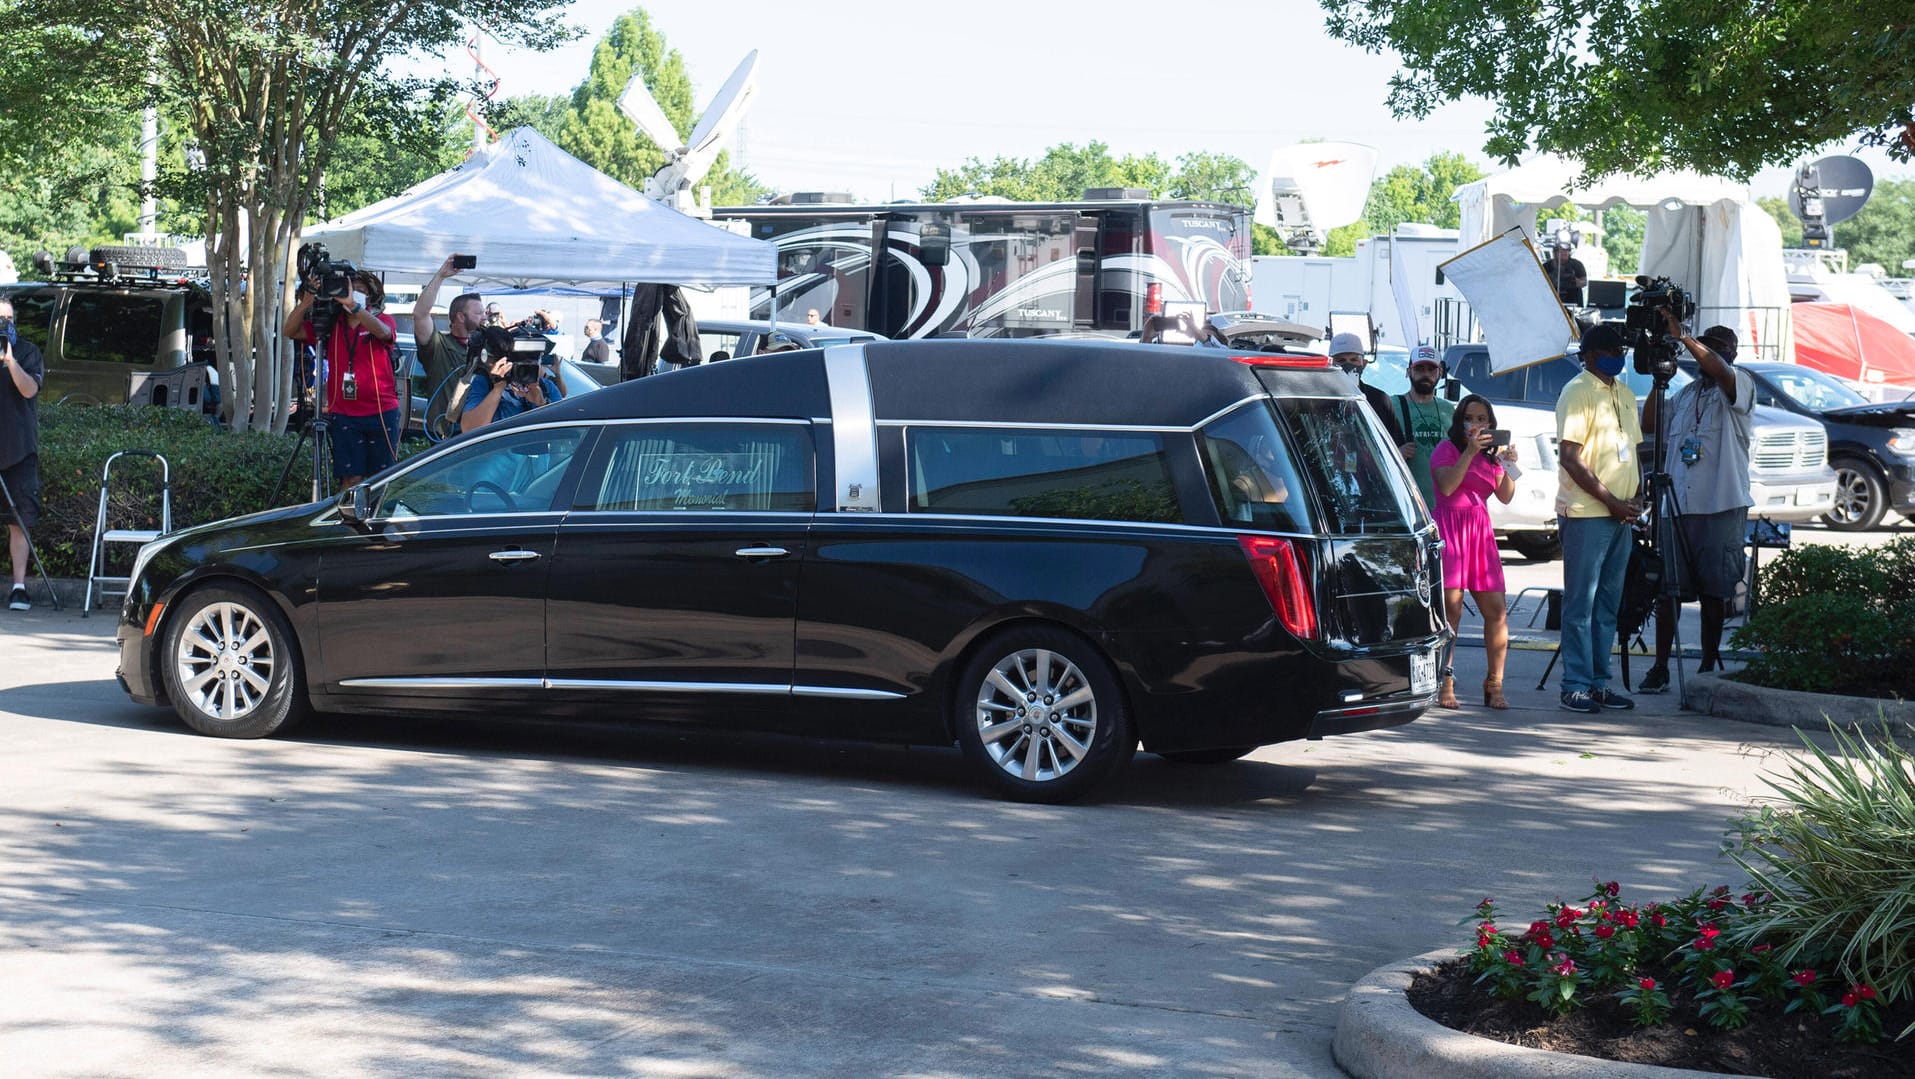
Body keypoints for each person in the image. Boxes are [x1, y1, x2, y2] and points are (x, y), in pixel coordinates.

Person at [1636, 316, 1755, 693]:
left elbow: (1719, 370)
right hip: (1678, 505)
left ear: (1730, 354)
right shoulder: (1687, 395)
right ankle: (1660, 666)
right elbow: (1651, 422)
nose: (1710, 357)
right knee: (1669, 591)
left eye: (1717, 350)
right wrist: (1660, 379)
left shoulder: (1738, 386)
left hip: (1720, 504)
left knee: (1714, 591)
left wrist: (1685, 338)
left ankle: (1707, 665)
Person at [1554, 323, 1643, 714]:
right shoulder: (1577, 391)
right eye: (1608, 349)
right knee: (1581, 604)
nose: (1617, 354)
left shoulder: (1624, 392)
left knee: (1607, 604)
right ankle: (1574, 685)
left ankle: (1598, 682)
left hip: (1621, 514)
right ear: (1589, 355)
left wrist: (1636, 496)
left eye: (1620, 347)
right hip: (1589, 513)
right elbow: (1571, 457)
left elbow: (1633, 450)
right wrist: (1611, 501)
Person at [1431, 395, 1521, 709]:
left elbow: (1506, 496)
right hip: (1450, 530)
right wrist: (1469, 452)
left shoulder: (1492, 457)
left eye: (1483, 419)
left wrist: (1509, 463)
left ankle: (1494, 682)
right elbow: (1447, 487)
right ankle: (1445, 679)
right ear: (1460, 421)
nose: (1478, 424)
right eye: (1471, 418)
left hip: (1479, 533)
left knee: (1496, 611)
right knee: (1451, 611)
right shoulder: (1447, 449)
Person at [283, 270, 400, 489]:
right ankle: (348, 521)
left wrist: (354, 306)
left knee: (381, 480)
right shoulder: (331, 326)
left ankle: (378, 523)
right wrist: (306, 302)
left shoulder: (382, 319)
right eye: (349, 290)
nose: (353, 294)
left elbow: (384, 333)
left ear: (370, 296)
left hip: (381, 411)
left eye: (360, 291)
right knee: (350, 479)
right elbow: (290, 330)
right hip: (345, 414)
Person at [0, 299, 43, 611]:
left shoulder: (28, 352)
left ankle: (19, 587)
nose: (4, 325)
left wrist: (10, 361)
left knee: (19, 521)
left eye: (8, 319)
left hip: (18, 450)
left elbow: (29, 390)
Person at [413, 256, 486, 432]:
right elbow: (420, 314)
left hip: (477, 433)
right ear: (461, 316)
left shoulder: (486, 349)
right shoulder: (439, 346)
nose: (485, 317)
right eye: (479, 313)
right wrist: (441, 276)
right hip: (445, 436)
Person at [458, 332, 566, 432]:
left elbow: (564, 431)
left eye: (534, 359)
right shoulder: (486, 382)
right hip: (496, 451)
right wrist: (497, 389)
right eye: (521, 360)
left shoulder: (546, 387)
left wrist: (541, 404)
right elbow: (469, 429)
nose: (527, 365)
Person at [1392, 345, 1456, 511]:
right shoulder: (1392, 405)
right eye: (1419, 369)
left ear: (1440, 373)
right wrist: (1397, 454)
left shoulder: (1449, 409)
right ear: (1408, 372)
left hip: (1444, 506)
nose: (1426, 374)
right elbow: (1372, 453)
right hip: (1406, 506)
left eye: (1431, 369)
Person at [1328, 332, 1409, 452]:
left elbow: (1395, 445)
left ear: (1364, 364)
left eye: (1354, 359)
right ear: (1330, 363)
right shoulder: (1319, 399)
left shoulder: (1379, 400)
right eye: (1341, 360)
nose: (1348, 364)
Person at [1548, 242, 1588, 307]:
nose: (1565, 252)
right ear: (1555, 252)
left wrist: (1575, 281)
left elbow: (1584, 282)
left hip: (1573, 303)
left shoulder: (1577, 264)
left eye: (1567, 250)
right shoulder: (1547, 266)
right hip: (1552, 302)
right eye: (1562, 250)